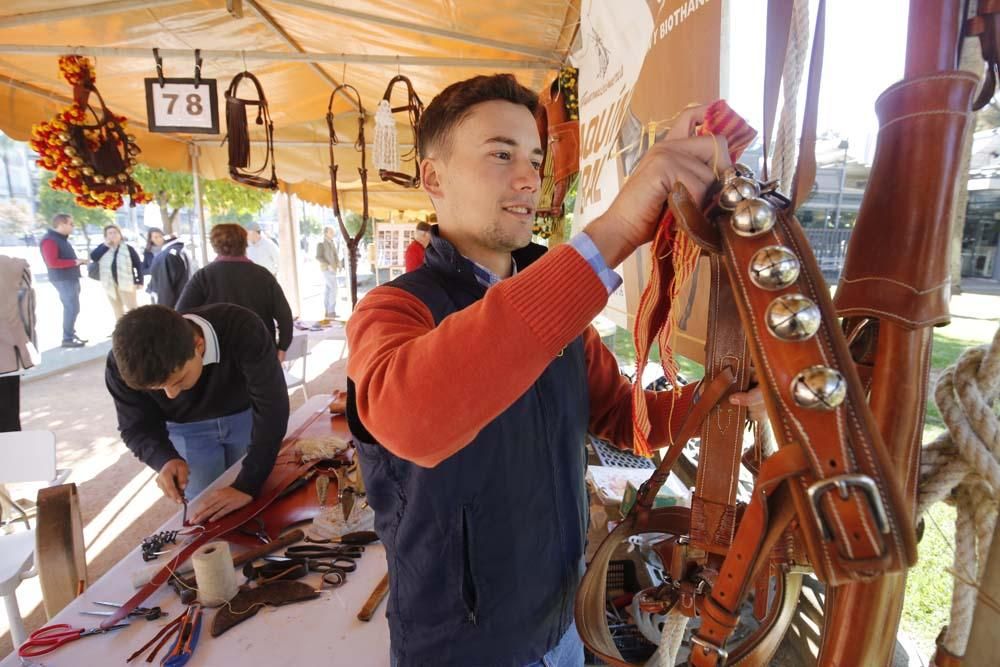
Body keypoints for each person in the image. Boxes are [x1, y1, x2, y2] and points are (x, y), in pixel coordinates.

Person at [346, 74, 762, 666]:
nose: (528, 178)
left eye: (535, 159)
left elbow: (625, 419)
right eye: (501, 154)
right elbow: (413, 418)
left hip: (565, 628)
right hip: (461, 649)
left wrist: (724, 396)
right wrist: (614, 233)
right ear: (432, 177)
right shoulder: (394, 309)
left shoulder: (558, 307)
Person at [106, 303, 289, 522]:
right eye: (157, 390)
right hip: (184, 429)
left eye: (178, 380)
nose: (171, 396)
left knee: (257, 493)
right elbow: (135, 425)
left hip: (243, 415)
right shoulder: (122, 365)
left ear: (198, 346)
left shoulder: (242, 327)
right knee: (205, 510)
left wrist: (248, 484)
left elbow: (273, 408)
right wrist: (163, 458)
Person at [177, 224, 293, 360]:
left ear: (215, 246)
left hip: (219, 353)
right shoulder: (263, 275)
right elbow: (284, 314)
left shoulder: (204, 276)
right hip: (260, 350)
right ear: (245, 243)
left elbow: (181, 315)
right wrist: (283, 347)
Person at [0, 255, 38, 432]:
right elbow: (27, 316)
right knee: (8, 424)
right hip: (7, 358)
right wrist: (26, 353)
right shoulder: (14, 266)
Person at [40, 213, 89, 348]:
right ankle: (67, 338)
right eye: (71, 224)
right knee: (71, 308)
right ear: (61, 224)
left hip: (69, 277)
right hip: (63, 279)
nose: (73, 226)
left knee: (73, 308)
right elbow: (52, 262)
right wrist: (75, 262)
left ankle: (71, 334)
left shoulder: (60, 239)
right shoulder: (50, 240)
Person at [90, 224, 144, 320]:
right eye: (110, 233)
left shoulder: (128, 248)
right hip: (110, 283)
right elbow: (94, 257)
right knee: (117, 308)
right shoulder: (103, 248)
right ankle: (121, 331)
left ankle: (138, 329)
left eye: (115, 232)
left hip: (127, 283)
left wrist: (140, 281)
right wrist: (105, 246)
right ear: (106, 236)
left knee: (132, 308)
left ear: (120, 234)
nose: (113, 235)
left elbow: (138, 265)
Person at [147, 234, 191, 309]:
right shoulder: (180, 251)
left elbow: (165, 288)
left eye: (159, 236)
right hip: (183, 299)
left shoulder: (166, 255)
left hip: (172, 304)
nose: (157, 239)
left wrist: (163, 310)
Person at [315, 226, 341, 318]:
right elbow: (318, 257)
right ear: (326, 233)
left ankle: (328, 311)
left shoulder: (332, 242)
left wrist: (338, 264)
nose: (333, 234)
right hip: (327, 269)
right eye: (331, 232)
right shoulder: (321, 244)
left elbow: (335, 255)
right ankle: (331, 311)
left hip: (333, 269)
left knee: (328, 290)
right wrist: (328, 265)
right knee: (334, 289)